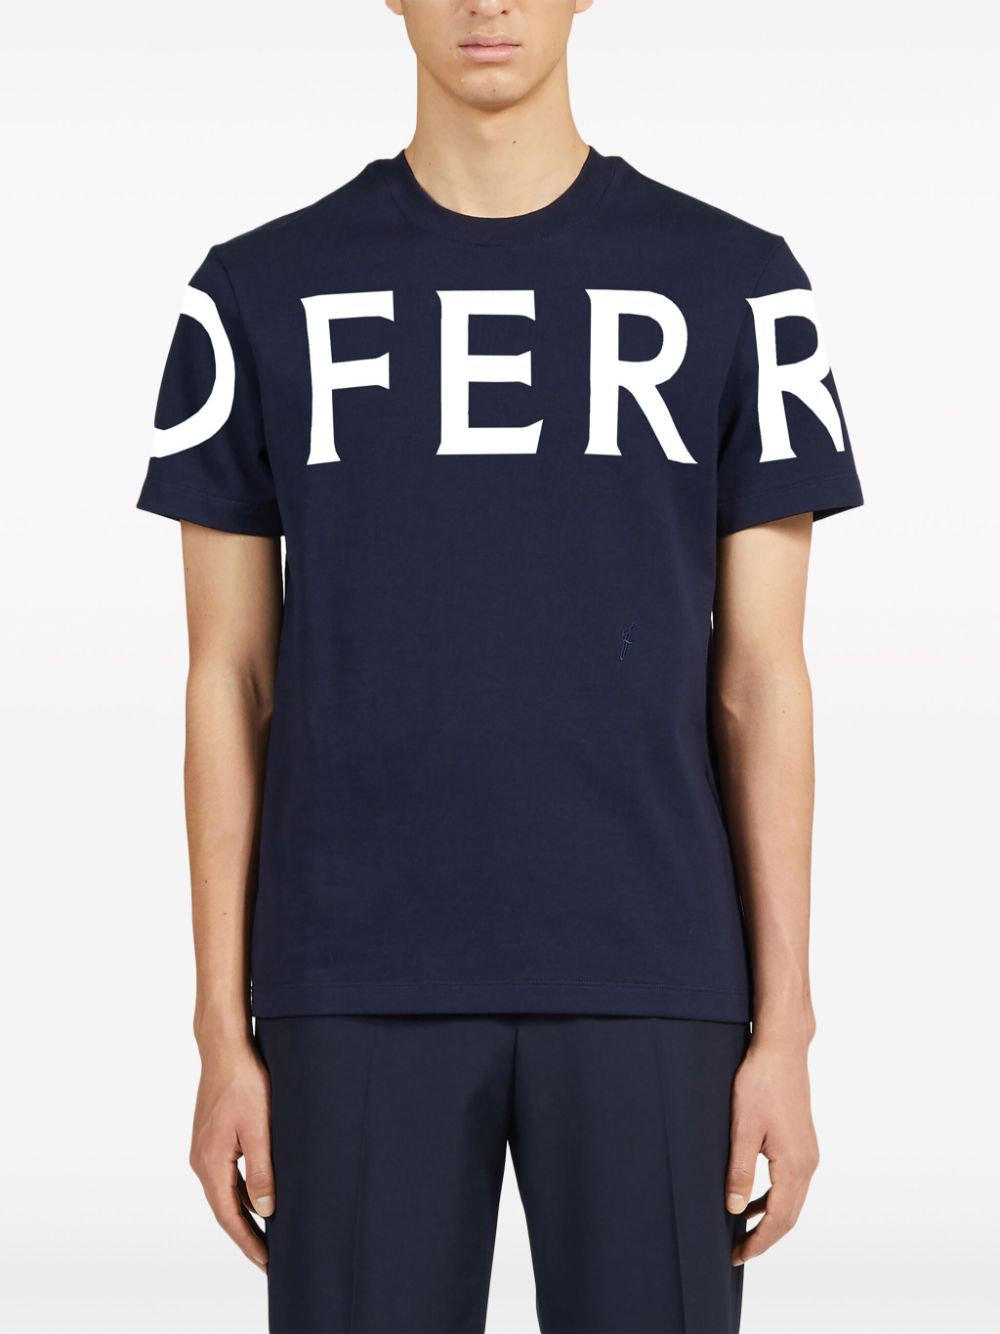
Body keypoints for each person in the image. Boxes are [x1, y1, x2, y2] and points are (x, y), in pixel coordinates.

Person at [137, 2, 862, 1330]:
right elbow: (228, 681)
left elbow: (764, 680)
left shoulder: (739, 285)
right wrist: (217, 1034)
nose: (489, 2)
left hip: (654, 974)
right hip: (349, 977)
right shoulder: (255, 291)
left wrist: (787, 1027)